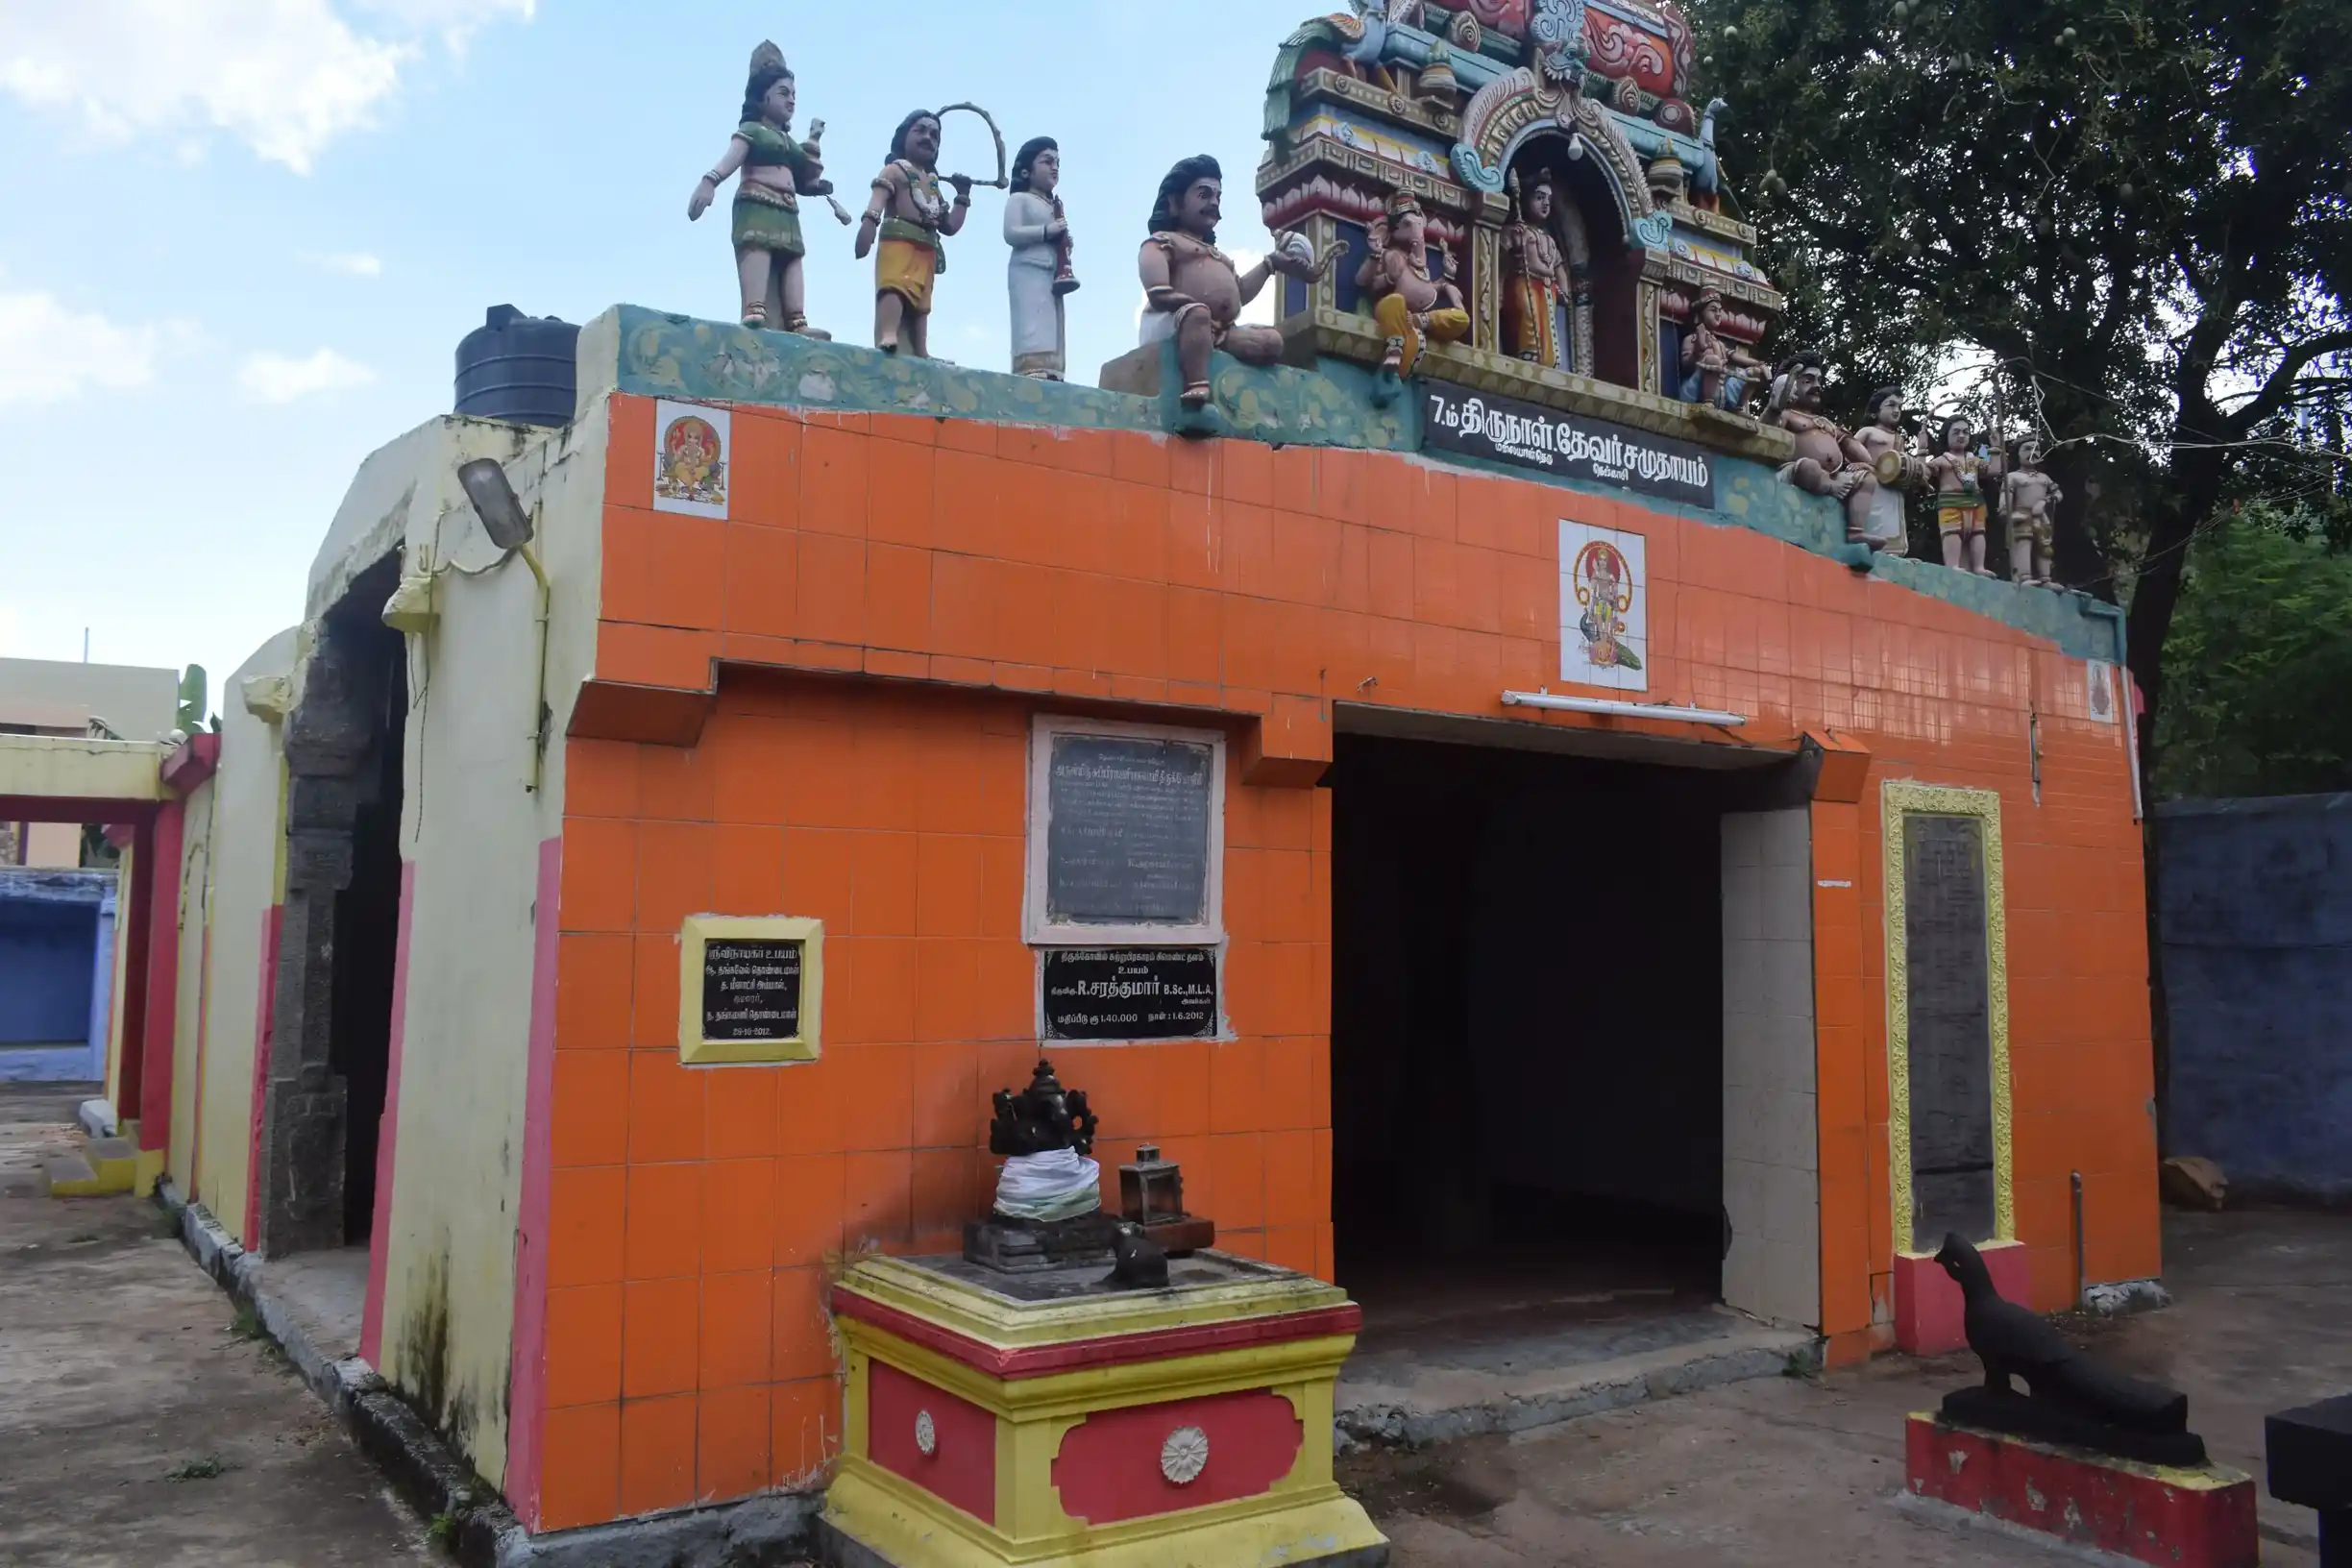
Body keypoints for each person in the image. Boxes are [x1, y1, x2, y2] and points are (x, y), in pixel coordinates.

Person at [1136, 154, 1335, 411]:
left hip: (1222, 332)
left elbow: (1239, 294)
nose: (1213, 203)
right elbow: (1157, 289)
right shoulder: (1165, 241)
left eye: (1218, 196)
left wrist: (1271, 263)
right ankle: (1196, 385)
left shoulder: (1218, 256)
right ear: (1175, 202)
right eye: (1204, 194)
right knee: (1197, 315)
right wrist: (1188, 304)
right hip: (1179, 323)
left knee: (1271, 341)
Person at [686, 42, 835, 335]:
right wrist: (710, 181)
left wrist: (816, 184)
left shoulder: (788, 142)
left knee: (793, 258)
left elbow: (803, 178)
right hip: (757, 202)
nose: (791, 100)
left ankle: (797, 321)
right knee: (759, 248)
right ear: (762, 96)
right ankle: (754, 309)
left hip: (787, 207)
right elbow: (732, 158)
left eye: (793, 94)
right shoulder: (753, 131)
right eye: (783, 93)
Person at [855, 110, 972, 357]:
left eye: (934, 135)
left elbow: (948, 226)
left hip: (926, 248)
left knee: (922, 302)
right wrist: (869, 223)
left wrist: (963, 196)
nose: (928, 138)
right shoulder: (894, 171)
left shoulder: (932, 183)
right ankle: (889, 333)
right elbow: (878, 199)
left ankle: (921, 348)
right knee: (894, 286)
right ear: (903, 137)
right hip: (898, 241)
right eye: (920, 131)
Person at [1765, 352, 1882, 545]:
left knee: (1867, 480)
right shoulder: (1786, 415)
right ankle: (1830, 487)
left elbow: (1858, 452)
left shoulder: (1826, 423)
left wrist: (1866, 465)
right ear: (1791, 384)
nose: (1817, 386)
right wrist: (1773, 408)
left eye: (1819, 381)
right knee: (1809, 467)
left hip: (1835, 475)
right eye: (1808, 381)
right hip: (1796, 470)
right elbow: (1765, 430)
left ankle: (1856, 531)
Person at [1360, 191, 1470, 380]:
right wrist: (1378, 261)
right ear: (1391, 231)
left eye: (1420, 226)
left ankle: (1419, 321)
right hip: (1394, 313)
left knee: (1462, 319)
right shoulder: (1389, 256)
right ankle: (1394, 349)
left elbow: (1427, 291)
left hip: (1417, 320)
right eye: (1408, 225)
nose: (1417, 233)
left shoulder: (1418, 265)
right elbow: (1362, 282)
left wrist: (1447, 277)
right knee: (1394, 301)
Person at [1003, 136, 1073, 380]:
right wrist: (1046, 231)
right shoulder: (1019, 199)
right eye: (1047, 161)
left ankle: (1054, 369)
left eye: (1057, 163)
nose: (1054, 167)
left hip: (1053, 272)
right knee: (1032, 322)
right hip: (1028, 270)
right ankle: (1030, 366)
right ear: (1026, 170)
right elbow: (1011, 233)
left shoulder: (1053, 205)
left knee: (1054, 324)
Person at [1502, 172, 1573, 368]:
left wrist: (1564, 292)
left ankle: (1548, 362)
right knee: (1528, 315)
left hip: (1547, 288)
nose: (1546, 204)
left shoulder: (1548, 239)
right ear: (1524, 200)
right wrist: (1514, 246)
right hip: (1524, 281)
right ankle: (1527, 357)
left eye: (1548, 199)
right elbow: (1500, 258)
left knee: (1548, 326)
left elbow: (1559, 267)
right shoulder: (1514, 231)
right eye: (1539, 198)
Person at [1925, 414, 1998, 576]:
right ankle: (1953, 565)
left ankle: (1979, 566)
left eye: (1965, 432)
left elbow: (1994, 471)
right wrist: (1921, 451)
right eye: (1956, 432)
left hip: (1975, 502)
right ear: (1946, 436)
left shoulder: (1975, 460)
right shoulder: (1942, 460)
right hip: (1951, 502)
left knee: (1978, 533)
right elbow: (1923, 472)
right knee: (1952, 533)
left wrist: (1995, 448)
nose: (1961, 436)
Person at [1678, 288, 1767, 410]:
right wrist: (1698, 351)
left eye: (1720, 311)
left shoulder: (1719, 344)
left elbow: (1736, 358)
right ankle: (1708, 401)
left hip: (1723, 391)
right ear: (1699, 315)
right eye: (1713, 310)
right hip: (1696, 390)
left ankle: (1739, 407)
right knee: (1712, 360)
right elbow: (1686, 365)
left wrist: (1758, 364)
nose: (1718, 314)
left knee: (1755, 372)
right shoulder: (1691, 339)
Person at [1850, 386, 1913, 554]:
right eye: (1891, 405)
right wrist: (1864, 465)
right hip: (1872, 484)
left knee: (1892, 519)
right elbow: (1849, 450)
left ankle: (1892, 551)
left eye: (1899, 407)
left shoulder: (1899, 439)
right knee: (1874, 517)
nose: (1896, 410)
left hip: (1892, 486)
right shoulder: (1868, 431)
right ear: (1875, 411)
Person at [1999, 435, 2063, 585]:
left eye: (2036, 449)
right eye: (2027, 449)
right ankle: (2024, 577)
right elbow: (2004, 500)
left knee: (2044, 547)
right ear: (2017, 453)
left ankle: (2045, 579)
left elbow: (2058, 494)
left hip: (2041, 518)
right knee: (2023, 544)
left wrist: (2045, 501)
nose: (2033, 452)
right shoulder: (2012, 477)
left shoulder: (2044, 478)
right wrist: (2007, 513)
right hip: (2020, 516)